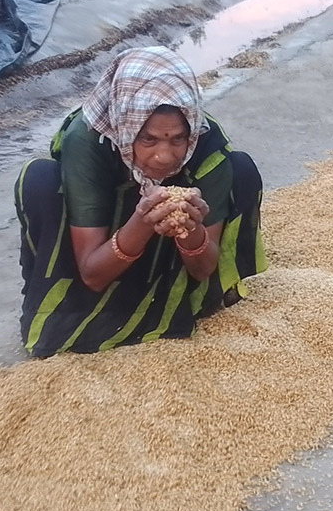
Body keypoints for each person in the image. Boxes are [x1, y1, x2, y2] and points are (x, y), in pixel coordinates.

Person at [14, 45, 266, 356]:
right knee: (39, 180)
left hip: (170, 256)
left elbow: (203, 268)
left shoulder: (204, 141)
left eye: (177, 139)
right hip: (104, 251)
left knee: (240, 169)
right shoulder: (88, 140)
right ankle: (83, 313)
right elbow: (92, 273)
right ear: (126, 127)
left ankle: (204, 298)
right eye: (148, 139)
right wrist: (143, 220)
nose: (164, 156)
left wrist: (191, 230)